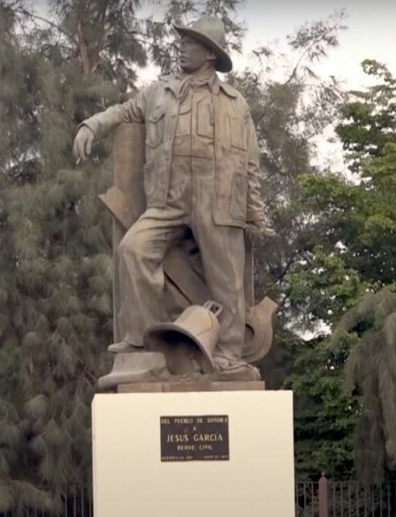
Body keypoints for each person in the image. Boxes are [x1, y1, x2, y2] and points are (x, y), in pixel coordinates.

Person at [73, 15, 270, 380]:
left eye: (190, 42)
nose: (181, 47)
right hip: (168, 197)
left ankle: (228, 355)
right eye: (182, 41)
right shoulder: (157, 92)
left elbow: (250, 162)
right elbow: (122, 111)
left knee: (226, 276)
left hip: (218, 197)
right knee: (133, 250)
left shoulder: (235, 103)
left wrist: (255, 211)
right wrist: (90, 125)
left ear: (210, 54)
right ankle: (148, 346)